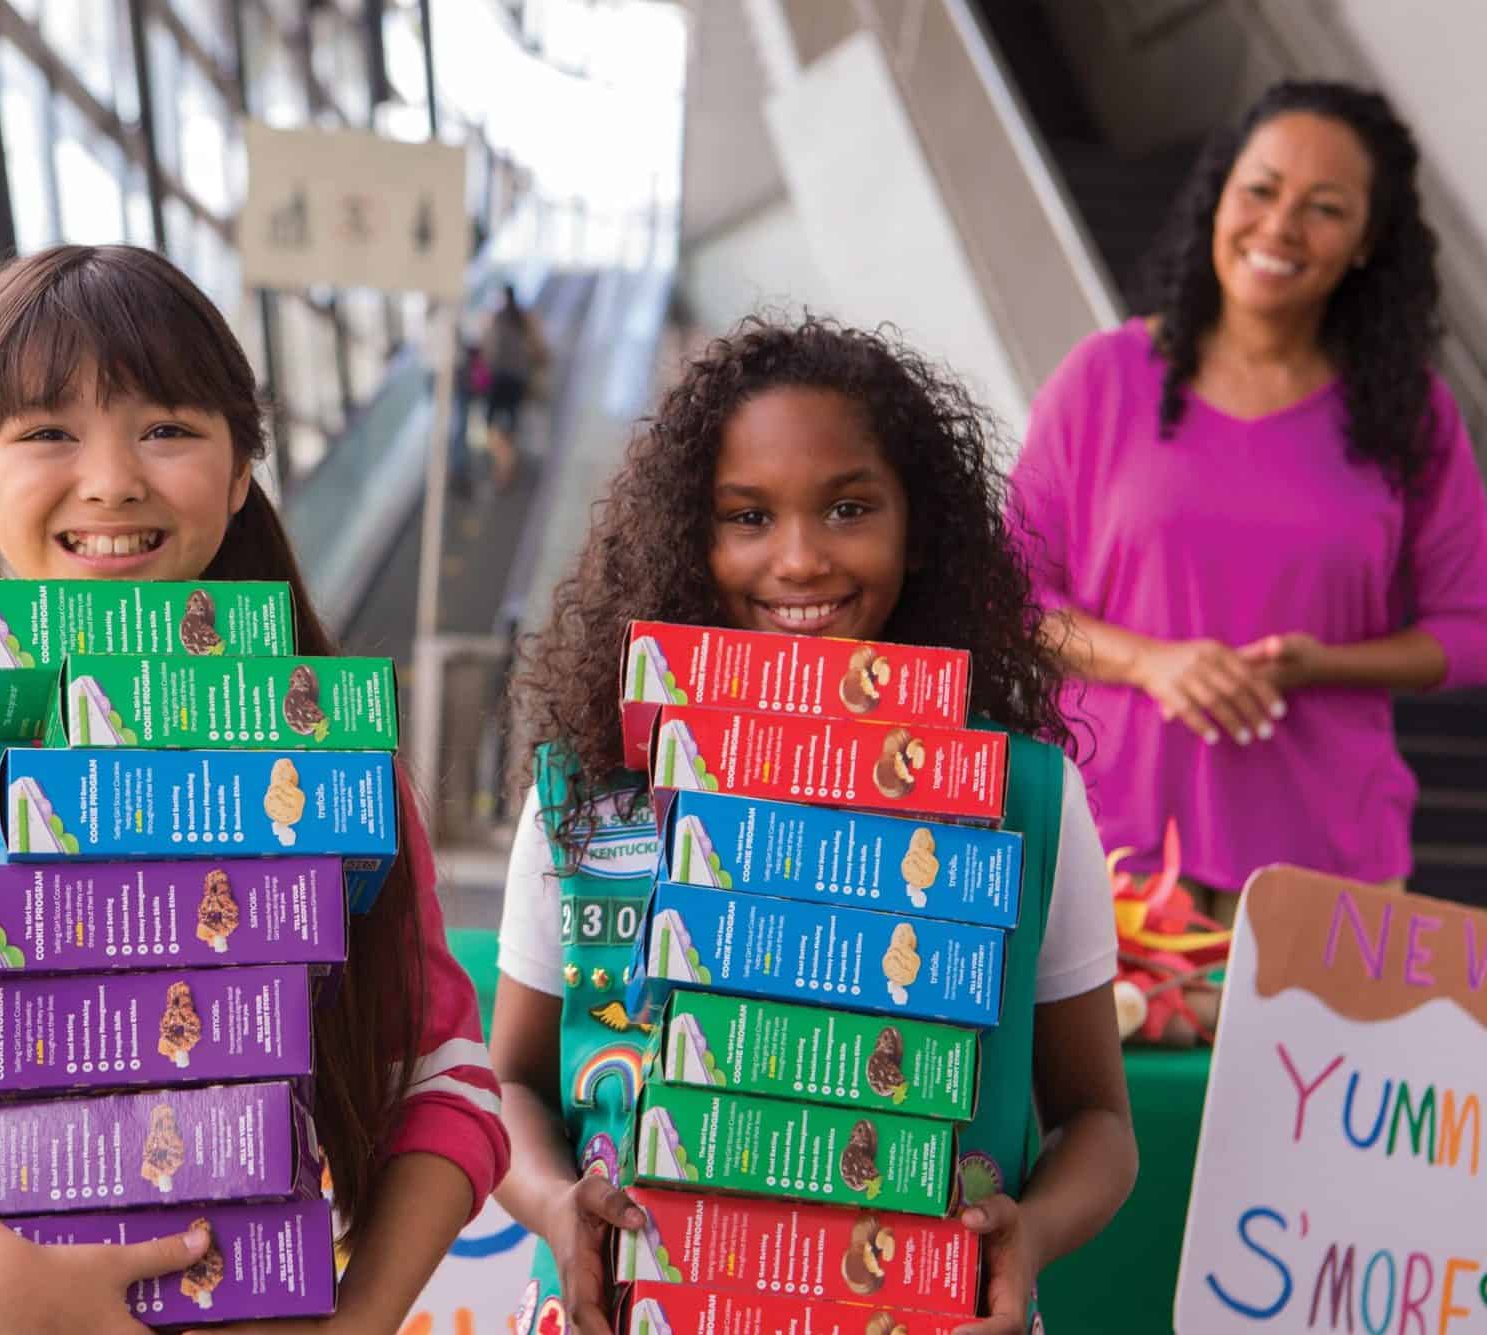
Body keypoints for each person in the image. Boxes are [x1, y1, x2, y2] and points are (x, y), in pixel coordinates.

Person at [0, 245, 509, 1335]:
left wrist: (360, 1324)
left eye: (167, 427)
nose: (114, 478)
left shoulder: (330, 769)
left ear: (237, 469)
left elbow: (440, 1074)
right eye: (45, 432)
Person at [492, 316, 1135, 1335]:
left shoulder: (1024, 800)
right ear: (683, 538)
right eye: (745, 517)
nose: (798, 560)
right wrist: (549, 1205)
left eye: (846, 508)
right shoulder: (590, 790)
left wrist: (1034, 1232)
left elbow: (1099, 1120)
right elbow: (511, 1082)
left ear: (916, 525)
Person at [1008, 81, 1487, 916]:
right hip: (1112, 837)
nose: (1280, 226)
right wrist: (1151, 661)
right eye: (1260, 189)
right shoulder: (1104, 377)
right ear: (1219, 198)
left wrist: (1324, 663)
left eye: (1325, 207)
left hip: (1328, 855)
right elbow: (1010, 595)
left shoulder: (1411, 412)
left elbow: (1471, 629)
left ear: (1368, 240)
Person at [482, 283, 549, 491]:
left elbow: (487, 349)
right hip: (518, 380)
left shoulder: (495, 318)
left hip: (498, 379)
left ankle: (504, 466)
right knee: (511, 424)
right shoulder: (525, 318)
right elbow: (540, 350)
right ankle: (507, 465)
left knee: (491, 426)